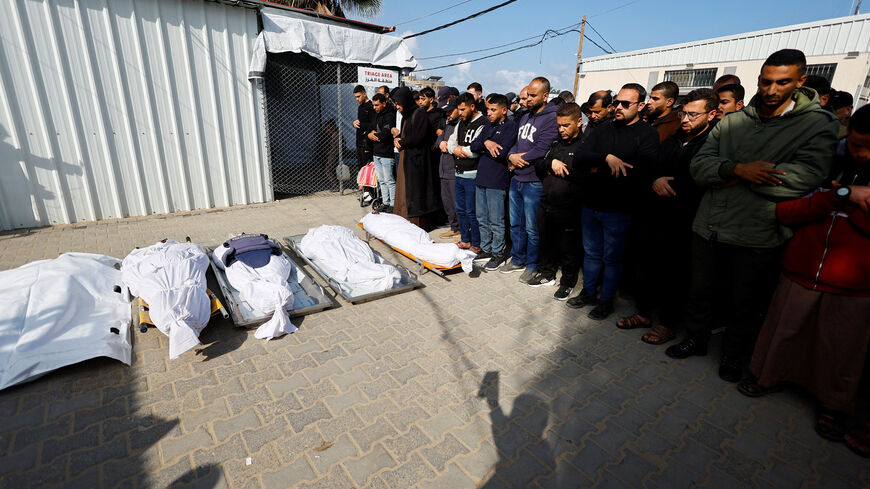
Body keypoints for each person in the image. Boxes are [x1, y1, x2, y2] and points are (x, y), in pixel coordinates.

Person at [666, 49, 840, 384]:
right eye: (766, 81)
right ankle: (696, 339)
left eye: (782, 82)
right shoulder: (734, 120)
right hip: (710, 225)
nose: (772, 90)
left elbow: (806, 177)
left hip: (758, 230)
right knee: (700, 290)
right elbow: (699, 167)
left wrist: (734, 175)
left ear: (800, 81)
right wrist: (739, 170)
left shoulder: (817, 124)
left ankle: (733, 355)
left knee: (744, 301)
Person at [739, 104, 870, 446]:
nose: (862, 153)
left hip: (854, 283)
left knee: (840, 348)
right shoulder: (826, 163)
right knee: (784, 331)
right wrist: (842, 195)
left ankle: (833, 405)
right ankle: (767, 376)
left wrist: (833, 202)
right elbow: (788, 210)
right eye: (856, 144)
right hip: (801, 268)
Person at [615, 89, 718, 343]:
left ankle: (668, 324)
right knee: (647, 269)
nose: (685, 119)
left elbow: (703, 179)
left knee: (676, 275)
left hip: (686, 220)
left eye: (693, 114)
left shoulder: (712, 144)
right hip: (654, 215)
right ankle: (644, 313)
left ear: (712, 114)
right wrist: (654, 180)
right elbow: (649, 167)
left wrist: (671, 183)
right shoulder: (672, 139)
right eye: (684, 113)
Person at [567, 83, 659, 319]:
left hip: (619, 209)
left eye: (625, 103)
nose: (618, 107)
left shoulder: (647, 134)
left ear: (640, 106)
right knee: (591, 254)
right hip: (591, 205)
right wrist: (606, 158)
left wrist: (597, 166)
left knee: (612, 258)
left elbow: (640, 171)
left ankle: (606, 301)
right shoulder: (603, 129)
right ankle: (588, 293)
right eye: (616, 102)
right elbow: (579, 158)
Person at [503, 77, 559, 283]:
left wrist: (518, 159)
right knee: (516, 224)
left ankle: (533, 265)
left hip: (534, 181)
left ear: (545, 96)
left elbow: (541, 149)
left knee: (532, 227)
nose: (527, 99)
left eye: (533, 96)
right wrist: (510, 156)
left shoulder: (551, 117)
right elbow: (516, 143)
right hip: (516, 178)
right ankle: (517, 259)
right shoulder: (525, 116)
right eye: (527, 96)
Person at [529, 102, 585, 299]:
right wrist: (550, 163)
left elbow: (586, 175)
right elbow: (537, 165)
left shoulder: (585, 146)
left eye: (566, 125)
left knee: (568, 248)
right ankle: (547, 274)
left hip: (570, 207)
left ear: (579, 122)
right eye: (559, 125)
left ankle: (568, 282)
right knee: (546, 242)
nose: (561, 130)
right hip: (547, 202)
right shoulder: (555, 144)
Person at [470, 93, 519, 269]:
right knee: (481, 217)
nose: (488, 113)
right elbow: (474, 146)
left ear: (504, 110)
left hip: (497, 180)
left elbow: (501, 151)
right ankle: (486, 248)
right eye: (488, 109)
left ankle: (498, 253)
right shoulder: (487, 126)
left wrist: (487, 144)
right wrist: (487, 143)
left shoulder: (511, 127)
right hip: (482, 177)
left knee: (496, 220)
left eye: (493, 109)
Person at [391, 87, 441, 228]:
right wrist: (397, 138)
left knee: (416, 191)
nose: (397, 106)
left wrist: (402, 141)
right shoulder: (407, 115)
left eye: (398, 103)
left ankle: (416, 224)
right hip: (406, 159)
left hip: (417, 161)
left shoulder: (419, 114)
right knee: (404, 189)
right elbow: (404, 135)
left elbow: (419, 137)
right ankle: (403, 220)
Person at [447, 92, 487, 252]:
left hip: (473, 174)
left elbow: (474, 151)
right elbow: (451, 142)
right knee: (461, 210)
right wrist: (455, 149)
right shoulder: (460, 123)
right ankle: (465, 240)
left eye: (463, 109)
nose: (460, 113)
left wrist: (457, 149)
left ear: (472, 106)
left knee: (472, 212)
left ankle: (476, 243)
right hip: (459, 173)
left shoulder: (483, 122)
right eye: (459, 109)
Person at [435, 98, 462, 238]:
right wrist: (441, 143)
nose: (448, 114)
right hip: (443, 169)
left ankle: (462, 229)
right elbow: (438, 141)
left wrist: (449, 146)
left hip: (454, 170)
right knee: (447, 202)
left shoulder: (461, 125)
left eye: (450, 111)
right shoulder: (448, 124)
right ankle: (454, 227)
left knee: (456, 203)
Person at [368, 93, 397, 211]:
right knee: (381, 180)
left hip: (386, 154)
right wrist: (370, 135)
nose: (374, 107)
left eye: (377, 105)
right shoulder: (375, 115)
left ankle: (393, 204)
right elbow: (369, 131)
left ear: (384, 104)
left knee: (389, 180)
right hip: (377, 153)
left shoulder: (390, 115)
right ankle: (385, 202)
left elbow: (385, 135)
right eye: (373, 105)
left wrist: (373, 135)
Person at [353, 85, 374, 174]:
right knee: (361, 167)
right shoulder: (360, 107)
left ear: (364, 94)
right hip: (359, 141)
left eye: (358, 96)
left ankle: (369, 187)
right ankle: (363, 186)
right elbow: (360, 121)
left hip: (368, 142)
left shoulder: (371, 106)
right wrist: (354, 123)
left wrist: (361, 125)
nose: (357, 99)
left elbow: (373, 124)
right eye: (355, 97)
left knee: (368, 168)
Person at [318, 119, 341, 191]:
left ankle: (336, 185)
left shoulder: (335, 134)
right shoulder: (334, 133)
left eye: (328, 128)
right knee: (332, 169)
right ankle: (337, 185)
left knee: (328, 170)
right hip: (333, 154)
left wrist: (331, 152)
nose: (327, 130)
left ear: (332, 127)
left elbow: (337, 147)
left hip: (334, 154)